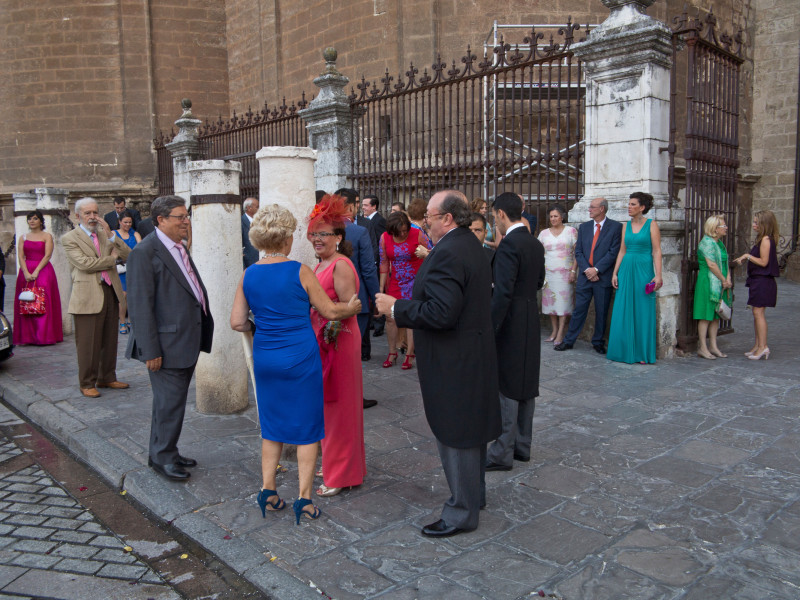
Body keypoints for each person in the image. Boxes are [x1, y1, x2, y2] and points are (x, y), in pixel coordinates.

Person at [375, 190, 500, 538]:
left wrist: (396, 307)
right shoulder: (468, 244)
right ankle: (474, 496)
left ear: (447, 218)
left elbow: (441, 312)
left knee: (456, 432)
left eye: (429, 216)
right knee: (469, 431)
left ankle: (462, 511)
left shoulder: (450, 252)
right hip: (469, 353)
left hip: (454, 359)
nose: (424, 222)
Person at [230, 204, 361, 525]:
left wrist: (262, 326)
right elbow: (330, 311)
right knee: (306, 430)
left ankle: (268, 491)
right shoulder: (300, 270)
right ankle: (304, 499)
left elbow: (236, 322)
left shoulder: (250, 273)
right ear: (286, 239)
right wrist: (353, 307)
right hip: (300, 357)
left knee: (272, 428)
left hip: (266, 357)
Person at [125, 195, 214, 482]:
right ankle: (162, 458)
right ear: (160, 220)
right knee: (168, 403)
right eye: (179, 216)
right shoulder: (145, 252)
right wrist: (150, 350)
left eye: (186, 215)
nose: (186, 220)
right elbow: (140, 305)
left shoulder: (179, 246)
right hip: (165, 344)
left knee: (170, 403)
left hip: (185, 338)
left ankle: (166, 451)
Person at [307, 197, 367, 497]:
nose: (317, 238)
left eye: (324, 234)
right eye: (314, 233)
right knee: (327, 407)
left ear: (339, 238)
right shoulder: (322, 264)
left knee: (339, 408)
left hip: (339, 340)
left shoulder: (341, 265)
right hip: (324, 340)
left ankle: (341, 474)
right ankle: (339, 463)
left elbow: (351, 306)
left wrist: (327, 316)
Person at [486, 192, 545, 472]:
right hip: (530, 316)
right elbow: (539, 281)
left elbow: (502, 293)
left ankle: (501, 452)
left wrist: (491, 326)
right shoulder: (534, 242)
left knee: (508, 383)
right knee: (526, 381)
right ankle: (523, 446)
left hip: (510, 318)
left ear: (500, 214)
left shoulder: (509, 245)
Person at [62, 198, 131, 397]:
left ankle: (107, 377)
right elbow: (85, 264)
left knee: (110, 339)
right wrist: (113, 259)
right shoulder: (70, 238)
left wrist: (111, 236)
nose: (92, 217)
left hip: (110, 291)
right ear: (78, 216)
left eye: (95, 212)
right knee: (88, 342)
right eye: (87, 213)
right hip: (87, 295)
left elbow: (128, 254)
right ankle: (86, 382)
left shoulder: (104, 235)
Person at [554, 198, 622, 354]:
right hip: (585, 276)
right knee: (579, 310)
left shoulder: (616, 227)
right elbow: (578, 251)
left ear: (602, 209)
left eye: (592, 207)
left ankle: (598, 341)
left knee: (602, 310)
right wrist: (587, 270)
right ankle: (569, 340)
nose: (589, 209)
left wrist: (597, 269)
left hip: (602, 276)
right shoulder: (583, 227)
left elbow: (614, 252)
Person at [607, 192, 663, 364]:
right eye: (629, 204)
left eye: (632, 204)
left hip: (644, 269)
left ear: (642, 207)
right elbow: (622, 250)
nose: (628, 207)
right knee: (623, 309)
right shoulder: (626, 225)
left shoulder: (652, 225)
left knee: (642, 309)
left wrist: (658, 274)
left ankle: (640, 353)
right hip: (626, 268)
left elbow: (657, 251)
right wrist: (615, 272)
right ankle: (623, 351)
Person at [339, 192, 380, 406]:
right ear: (351, 207)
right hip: (357, 298)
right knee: (353, 351)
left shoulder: (321, 230)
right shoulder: (358, 231)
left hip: (331, 300)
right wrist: (376, 297)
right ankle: (353, 395)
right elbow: (367, 268)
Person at [379, 211, 427, 370]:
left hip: (415, 281)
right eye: (399, 231)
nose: (403, 233)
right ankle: (392, 352)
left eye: (405, 230)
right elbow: (384, 263)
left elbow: (433, 254)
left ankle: (409, 354)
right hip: (396, 282)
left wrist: (424, 253)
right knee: (390, 317)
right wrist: (381, 288)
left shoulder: (418, 234)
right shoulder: (384, 238)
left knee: (410, 318)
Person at [734, 209, 780, 361]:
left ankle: (763, 347)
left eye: (756, 222)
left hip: (763, 281)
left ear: (764, 224)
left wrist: (748, 256)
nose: (753, 225)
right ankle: (757, 345)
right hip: (758, 281)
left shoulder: (766, 240)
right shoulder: (763, 239)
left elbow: (763, 262)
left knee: (758, 313)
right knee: (756, 313)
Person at [12, 210, 63, 346]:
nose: (32, 221)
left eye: (35, 218)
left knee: (43, 301)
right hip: (26, 270)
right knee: (26, 301)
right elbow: (21, 256)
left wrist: (36, 271)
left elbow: (47, 255)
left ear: (41, 221)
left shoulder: (47, 236)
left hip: (43, 270)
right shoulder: (23, 237)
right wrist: (26, 272)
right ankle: (28, 337)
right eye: (30, 219)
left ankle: (43, 335)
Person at [538, 204, 578, 344]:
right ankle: (554, 330)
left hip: (565, 273)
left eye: (556, 216)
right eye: (551, 217)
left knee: (563, 304)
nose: (553, 219)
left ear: (562, 217)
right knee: (550, 303)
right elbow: (539, 254)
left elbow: (577, 254)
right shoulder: (543, 233)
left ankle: (561, 332)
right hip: (548, 272)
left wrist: (573, 270)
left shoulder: (571, 231)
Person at [694, 215, 732, 360]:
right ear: (715, 229)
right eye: (723, 226)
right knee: (705, 314)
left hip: (720, 281)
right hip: (708, 282)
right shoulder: (707, 243)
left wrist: (727, 278)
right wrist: (724, 279)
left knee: (716, 315)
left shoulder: (720, 244)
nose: (726, 228)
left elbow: (725, 262)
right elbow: (712, 264)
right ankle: (703, 347)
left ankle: (713, 346)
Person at [115, 210, 141, 334]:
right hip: (121, 268)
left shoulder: (135, 234)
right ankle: (122, 321)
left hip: (133, 267)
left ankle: (131, 320)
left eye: (130, 222)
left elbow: (141, 248)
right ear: (119, 222)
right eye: (125, 222)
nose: (128, 224)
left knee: (132, 296)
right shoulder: (114, 234)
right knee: (122, 296)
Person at [241, 197, 260, 268]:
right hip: (248, 264)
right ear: (249, 208)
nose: (259, 209)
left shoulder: (260, 221)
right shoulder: (240, 222)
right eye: (257, 207)